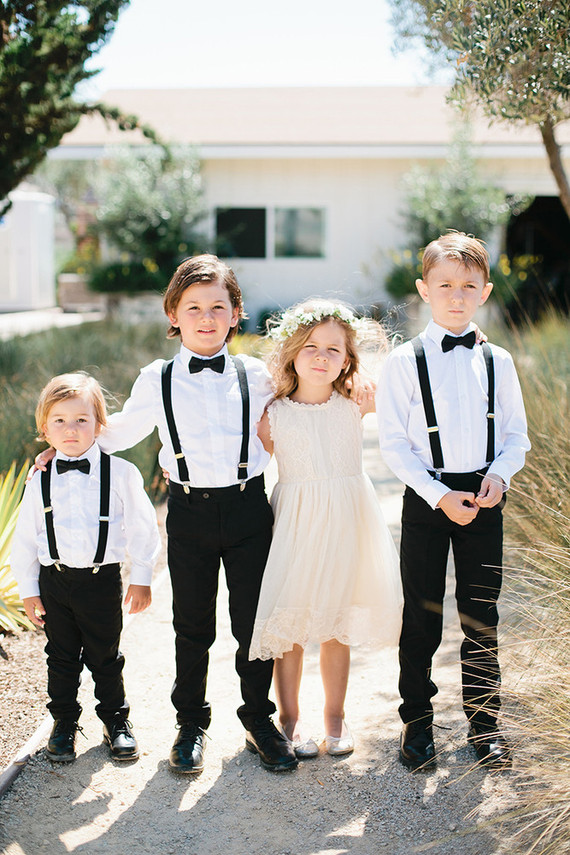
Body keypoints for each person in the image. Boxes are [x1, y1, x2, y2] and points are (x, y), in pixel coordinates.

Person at [53, 255, 297, 774]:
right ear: (173, 313)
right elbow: (117, 431)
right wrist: (65, 444)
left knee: (253, 622)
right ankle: (191, 725)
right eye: (193, 308)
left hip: (249, 507)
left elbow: (299, 418)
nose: (206, 318)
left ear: (236, 314)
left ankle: (258, 720)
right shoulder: (157, 378)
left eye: (218, 307)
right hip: (188, 513)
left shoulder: (258, 374)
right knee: (191, 625)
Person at [377, 232, 530, 771]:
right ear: (424, 289)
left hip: (486, 497)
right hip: (427, 496)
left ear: (485, 291)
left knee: (480, 614)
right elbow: (393, 444)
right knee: (421, 617)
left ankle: (484, 725)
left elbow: (516, 435)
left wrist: (501, 477)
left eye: (468, 286)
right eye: (445, 285)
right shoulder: (403, 361)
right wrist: (440, 496)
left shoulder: (500, 361)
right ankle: (417, 725)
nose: (456, 295)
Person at [249, 299, 403, 758]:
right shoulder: (273, 414)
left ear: (348, 358)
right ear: (292, 352)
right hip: (296, 522)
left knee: (338, 623)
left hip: (347, 519)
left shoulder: (357, 403)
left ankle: (335, 718)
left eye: (334, 350)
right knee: (291, 624)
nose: (321, 357)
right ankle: (289, 718)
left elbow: (411, 402)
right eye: (311, 347)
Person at [11, 372, 160, 763]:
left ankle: (116, 721)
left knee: (105, 657)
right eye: (59, 420)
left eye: (82, 419)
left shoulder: (121, 473)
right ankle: (63, 725)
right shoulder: (38, 479)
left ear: (99, 424)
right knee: (60, 659)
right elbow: (26, 537)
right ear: (45, 428)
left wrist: (141, 577)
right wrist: (29, 588)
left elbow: (144, 528)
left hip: (101, 581)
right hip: (54, 583)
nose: (71, 429)